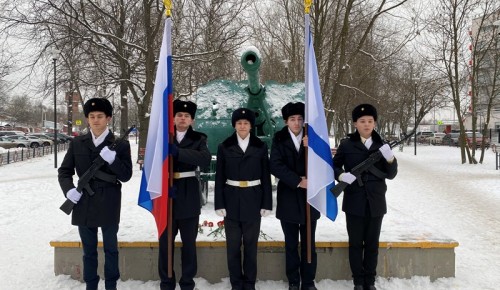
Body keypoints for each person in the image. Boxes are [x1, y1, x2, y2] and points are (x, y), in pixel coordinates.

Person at [58, 98, 133, 290]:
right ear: (87, 119)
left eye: (100, 116)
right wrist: (69, 191)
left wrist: (113, 161)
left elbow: (126, 176)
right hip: (84, 202)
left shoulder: (119, 145)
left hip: (109, 201)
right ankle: (91, 286)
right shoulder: (78, 143)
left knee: (111, 249)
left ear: (108, 118)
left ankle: (111, 286)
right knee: (88, 251)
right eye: (92, 116)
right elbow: (64, 171)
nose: (96, 120)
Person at [332, 104, 398, 290]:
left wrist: (390, 159)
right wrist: (340, 175)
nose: (366, 124)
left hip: (376, 202)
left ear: (375, 123)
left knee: (372, 245)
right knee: (355, 244)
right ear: (355, 123)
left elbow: (391, 174)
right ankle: (358, 282)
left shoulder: (382, 146)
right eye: (362, 121)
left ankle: (370, 281)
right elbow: (334, 166)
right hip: (354, 201)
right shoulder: (346, 144)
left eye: (370, 121)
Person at [214, 107, 273, 290]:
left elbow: (265, 175)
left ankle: (249, 283)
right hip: (231, 200)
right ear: (234, 125)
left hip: (253, 200)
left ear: (251, 125)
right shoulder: (225, 146)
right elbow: (219, 177)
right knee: (232, 248)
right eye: (239, 123)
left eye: (246, 123)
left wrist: (266, 203)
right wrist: (219, 203)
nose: (242, 126)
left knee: (250, 247)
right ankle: (236, 283)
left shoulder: (260, 146)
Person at [158, 99, 211, 290]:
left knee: (189, 243)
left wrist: (178, 153)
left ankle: (187, 282)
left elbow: (204, 159)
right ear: (173, 118)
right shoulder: (163, 136)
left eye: (186, 116)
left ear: (192, 121)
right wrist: (163, 185)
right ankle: (166, 281)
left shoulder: (199, 138)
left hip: (188, 192)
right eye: (179, 115)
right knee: (165, 243)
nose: (182, 118)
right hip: (167, 194)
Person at [269, 102, 319, 290]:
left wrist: (312, 147)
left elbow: (323, 162)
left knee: (308, 243)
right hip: (289, 197)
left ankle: (308, 281)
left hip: (309, 198)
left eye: (300, 119)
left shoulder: (313, 137)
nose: (297, 123)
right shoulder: (279, 138)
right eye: (292, 119)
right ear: (285, 121)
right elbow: (275, 164)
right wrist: (298, 181)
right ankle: (293, 280)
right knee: (291, 244)